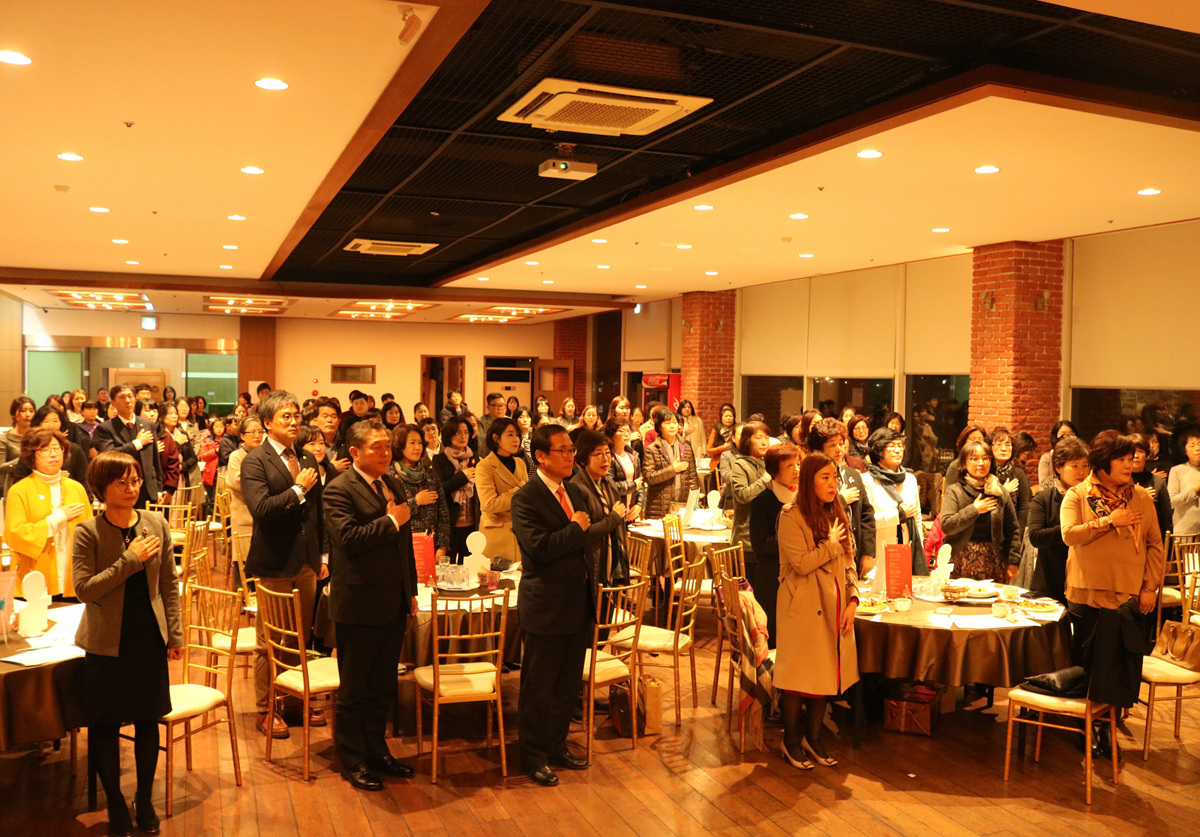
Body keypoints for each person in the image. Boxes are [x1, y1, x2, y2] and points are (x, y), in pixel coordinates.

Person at [73, 451, 182, 836]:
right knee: (104, 724)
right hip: (105, 641)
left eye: (135, 480)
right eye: (121, 483)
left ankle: (144, 799)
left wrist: (175, 634)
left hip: (147, 637)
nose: (131, 488)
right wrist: (130, 559)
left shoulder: (155, 523)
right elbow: (84, 589)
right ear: (100, 488)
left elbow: (169, 584)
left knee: (148, 721)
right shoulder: (88, 531)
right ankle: (117, 803)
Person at [323, 420, 418, 791]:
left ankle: (378, 752)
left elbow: (404, 544)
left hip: (393, 601)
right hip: (359, 604)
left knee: (382, 686)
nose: (385, 453)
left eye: (387, 446)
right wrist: (391, 520)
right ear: (354, 452)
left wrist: (409, 589)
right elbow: (348, 538)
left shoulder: (392, 483)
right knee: (354, 689)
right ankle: (353, 760)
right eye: (376, 446)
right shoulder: (338, 489)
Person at [241, 390, 329, 740]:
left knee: (299, 636)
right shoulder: (255, 460)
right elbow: (261, 508)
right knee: (270, 641)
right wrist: (297, 490)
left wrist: (322, 555)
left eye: (296, 416)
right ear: (267, 423)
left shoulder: (306, 456)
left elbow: (317, 512)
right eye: (285, 417)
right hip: (274, 561)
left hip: (306, 560)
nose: (294, 422)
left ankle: (293, 700)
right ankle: (267, 708)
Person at [511, 424, 595, 786]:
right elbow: (540, 549)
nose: (570, 456)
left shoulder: (573, 490)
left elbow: (585, 543)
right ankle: (533, 756)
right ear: (541, 456)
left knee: (567, 686)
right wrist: (575, 529)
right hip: (545, 606)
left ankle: (557, 746)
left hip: (577, 602)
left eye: (571, 450)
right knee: (538, 688)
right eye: (562, 450)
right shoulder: (525, 498)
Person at [1061, 432, 1163, 700]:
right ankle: (1085, 718)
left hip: (1127, 595)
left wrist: (1150, 586)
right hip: (1086, 591)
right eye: (1121, 460)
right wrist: (1109, 521)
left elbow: (1155, 544)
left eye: (1131, 458)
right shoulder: (1077, 495)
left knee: (1118, 667)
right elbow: (1069, 535)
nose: (1129, 465)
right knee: (1086, 664)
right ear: (1103, 462)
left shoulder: (1141, 497)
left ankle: (1112, 719)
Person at [775, 452, 859, 770]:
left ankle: (812, 738)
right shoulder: (790, 515)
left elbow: (849, 562)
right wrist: (831, 544)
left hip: (833, 605)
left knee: (823, 676)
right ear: (809, 482)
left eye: (834, 477)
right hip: (802, 608)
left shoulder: (836, 512)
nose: (832, 484)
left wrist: (853, 601)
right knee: (798, 679)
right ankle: (790, 741)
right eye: (825, 477)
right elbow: (801, 563)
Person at [4, 427, 93, 597]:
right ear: (32, 455)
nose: (53, 454)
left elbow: (89, 533)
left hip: (74, 579)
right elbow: (14, 535)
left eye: (57, 448)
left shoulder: (76, 488)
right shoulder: (19, 491)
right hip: (34, 580)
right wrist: (56, 519)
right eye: (45, 450)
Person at [938, 439, 1021, 583]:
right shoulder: (955, 491)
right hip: (960, 559)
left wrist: (1013, 561)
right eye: (974, 459)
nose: (981, 463)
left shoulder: (1000, 492)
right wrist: (974, 509)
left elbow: (1012, 529)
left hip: (994, 561)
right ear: (964, 462)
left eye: (985, 458)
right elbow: (947, 525)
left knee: (993, 597)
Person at [809, 418, 876, 576]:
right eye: (832, 445)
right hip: (824, 557)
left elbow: (867, 514)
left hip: (853, 555)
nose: (839, 449)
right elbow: (813, 512)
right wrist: (842, 500)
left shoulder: (852, 474)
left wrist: (868, 553)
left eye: (841, 443)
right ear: (819, 449)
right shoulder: (811, 477)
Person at [749, 443, 800, 648]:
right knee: (775, 640)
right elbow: (760, 545)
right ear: (774, 471)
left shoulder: (803, 498)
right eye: (790, 466)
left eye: (798, 464)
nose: (797, 470)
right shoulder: (762, 502)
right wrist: (795, 540)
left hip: (799, 578)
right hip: (772, 581)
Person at [1028, 436, 1090, 603]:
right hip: (1050, 580)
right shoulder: (1045, 498)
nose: (1081, 471)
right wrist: (1070, 528)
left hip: (1086, 581)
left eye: (1085, 465)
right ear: (1058, 468)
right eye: (1074, 466)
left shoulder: (1094, 498)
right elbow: (1035, 536)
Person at [862, 428, 927, 578]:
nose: (898, 450)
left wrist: (920, 547)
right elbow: (867, 522)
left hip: (906, 551)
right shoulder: (867, 480)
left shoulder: (910, 479)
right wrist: (898, 515)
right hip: (880, 552)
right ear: (878, 450)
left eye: (900, 446)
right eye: (891, 446)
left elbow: (917, 518)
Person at [570, 429, 631, 586]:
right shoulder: (577, 487)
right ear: (584, 458)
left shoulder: (608, 483)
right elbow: (584, 533)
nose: (605, 459)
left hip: (613, 557)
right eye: (598, 454)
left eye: (608, 453)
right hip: (591, 562)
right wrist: (614, 518)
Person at [93, 385, 165, 509]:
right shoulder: (105, 428)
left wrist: (158, 488)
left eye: (130, 396)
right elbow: (110, 454)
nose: (127, 400)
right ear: (113, 403)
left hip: (148, 488)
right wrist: (137, 443)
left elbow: (155, 459)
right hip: (121, 486)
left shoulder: (148, 424)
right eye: (122, 397)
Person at [390, 424, 451, 563]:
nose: (417, 447)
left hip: (430, 544)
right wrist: (416, 501)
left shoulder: (430, 474)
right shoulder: (390, 476)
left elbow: (443, 513)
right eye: (412, 443)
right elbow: (390, 515)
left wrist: (442, 546)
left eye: (420, 443)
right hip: (402, 547)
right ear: (400, 445)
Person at [476, 417, 528, 564]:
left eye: (517, 435)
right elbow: (489, 504)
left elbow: (528, 497)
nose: (516, 439)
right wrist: (518, 491)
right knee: (498, 576)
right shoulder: (485, 466)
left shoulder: (520, 463)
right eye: (510, 435)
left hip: (520, 531)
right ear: (496, 438)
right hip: (496, 534)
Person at [431, 417, 479, 563]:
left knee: (469, 566)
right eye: (458, 432)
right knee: (448, 566)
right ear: (449, 434)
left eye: (466, 432)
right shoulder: (440, 459)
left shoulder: (474, 458)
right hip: (450, 523)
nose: (463, 436)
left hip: (472, 523)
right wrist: (462, 477)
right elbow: (440, 489)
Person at [730, 421, 772, 580]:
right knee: (748, 588)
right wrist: (766, 478)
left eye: (766, 437)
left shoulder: (767, 463)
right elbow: (743, 496)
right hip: (746, 540)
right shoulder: (740, 465)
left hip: (766, 537)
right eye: (759, 438)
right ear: (747, 441)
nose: (764, 442)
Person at [643, 409, 700, 519]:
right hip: (659, 506)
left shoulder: (686, 446)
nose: (672, 426)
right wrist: (672, 469)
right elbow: (649, 477)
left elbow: (692, 478)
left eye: (675, 422)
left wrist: (694, 501)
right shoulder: (652, 449)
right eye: (667, 423)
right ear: (659, 427)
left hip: (682, 505)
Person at [226, 415, 265, 540]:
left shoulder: (265, 455)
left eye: (260, 432)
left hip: (264, 513)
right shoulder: (236, 456)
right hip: (244, 515)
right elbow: (237, 482)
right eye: (252, 432)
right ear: (242, 436)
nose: (257, 436)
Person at [1130, 433, 1172, 540]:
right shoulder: (1119, 481)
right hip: (1127, 540)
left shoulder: (1157, 482)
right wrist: (1139, 496)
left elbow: (1167, 519)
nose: (1136, 456)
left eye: (1140, 451)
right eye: (1132, 452)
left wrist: (1167, 544)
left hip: (1153, 539)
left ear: (1147, 455)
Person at [136, 399, 180, 501]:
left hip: (160, 489)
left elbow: (173, 464)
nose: (152, 414)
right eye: (147, 411)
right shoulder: (134, 434)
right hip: (137, 488)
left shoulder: (165, 435)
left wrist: (170, 490)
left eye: (155, 411)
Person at [989, 426, 1031, 531]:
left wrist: (1018, 533)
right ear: (990, 447)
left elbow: (1023, 508)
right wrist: (1004, 491)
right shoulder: (986, 473)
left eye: (1008, 444)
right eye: (999, 444)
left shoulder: (1018, 474)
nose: (1004, 448)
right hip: (988, 529)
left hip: (1012, 530)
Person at [605, 417, 644, 519]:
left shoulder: (633, 455)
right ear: (611, 434)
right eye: (621, 431)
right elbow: (610, 486)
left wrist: (639, 505)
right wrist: (633, 485)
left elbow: (640, 482)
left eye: (628, 431)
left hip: (632, 511)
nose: (626, 434)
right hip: (615, 511)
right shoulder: (608, 457)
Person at [1167, 428, 1200, 536]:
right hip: (1185, 533)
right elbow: (1171, 502)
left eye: (1199, 444)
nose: (1197, 448)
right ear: (1185, 451)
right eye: (1192, 445)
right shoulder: (1177, 470)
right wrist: (1195, 490)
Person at [1037, 420, 1079, 488]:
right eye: (1063, 434)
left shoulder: (1080, 457)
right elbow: (1043, 485)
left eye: (1071, 434)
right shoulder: (1047, 458)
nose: (1067, 437)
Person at [478, 393, 507, 458]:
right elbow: (482, 443)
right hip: (489, 457)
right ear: (488, 407)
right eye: (495, 405)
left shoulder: (509, 421)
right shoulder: (481, 422)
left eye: (501, 405)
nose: (499, 408)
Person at [512, 407, 536, 474]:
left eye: (527, 417)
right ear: (515, 420)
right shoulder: (512, 438)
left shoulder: (535, 437)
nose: (525, 420)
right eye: (521, 417)